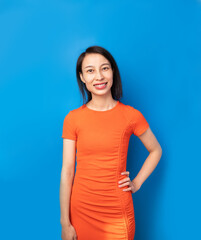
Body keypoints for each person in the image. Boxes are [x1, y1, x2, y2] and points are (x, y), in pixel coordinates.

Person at [60, 46, 162, 240]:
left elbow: (155, 150)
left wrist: (137, 182)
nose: (99, 76)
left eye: (104, 68)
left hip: (117, 212)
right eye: (90, 70)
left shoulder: (131, 116)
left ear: (113, 71)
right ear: (82, 77)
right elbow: (67, 172)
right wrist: (65, 223)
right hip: (81, 211)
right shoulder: (72, 119)